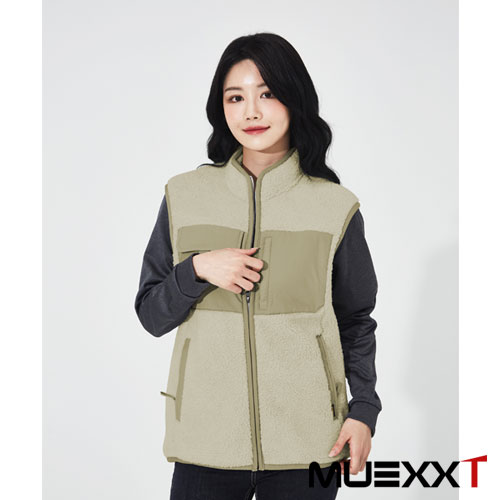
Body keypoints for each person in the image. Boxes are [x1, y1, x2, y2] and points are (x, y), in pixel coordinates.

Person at [134, 32, 382, 500]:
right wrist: (197, 269)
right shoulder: (184, 197)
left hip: (309, 443)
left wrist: (363, 410)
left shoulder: (335, 208)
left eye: (266, 94)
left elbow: (355, 320)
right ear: (221, 108)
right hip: (205, 442)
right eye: (235, 97)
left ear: (294, 98)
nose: (250, 112)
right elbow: (151, 314)